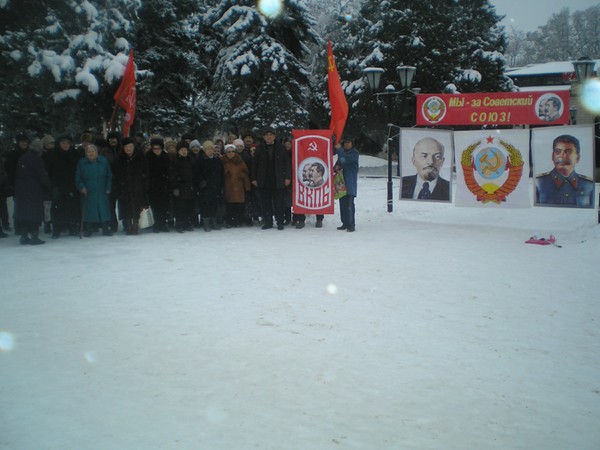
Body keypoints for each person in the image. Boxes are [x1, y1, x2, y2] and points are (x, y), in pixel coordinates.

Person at [535, 134, 594, 207]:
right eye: (558, 151)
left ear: (578, 157)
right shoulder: (538, 183)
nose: (562, 156)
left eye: (568, 151)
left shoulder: (588, 185)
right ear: (552, 156)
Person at [251, 127, 291, 230]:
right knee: (265, 203)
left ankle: (280, 222)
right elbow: (254, 164)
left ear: (274, 136)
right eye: (267, 135)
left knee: (279, 203)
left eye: (271, 135)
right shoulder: (259, 148)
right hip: (264, 180)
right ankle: (268, 222)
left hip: (278, 179)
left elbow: (287, 163)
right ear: (264, 137)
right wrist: (254, 178)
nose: (269, 137)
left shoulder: (281, 147)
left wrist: (287, 177)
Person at [14, 139, 52, 245]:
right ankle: (35, 237)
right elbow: (42, 175)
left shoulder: (23, 157)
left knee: (24, 214)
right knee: (35, 214)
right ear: (39, 149)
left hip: (21, 190)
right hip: (34, 190)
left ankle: (24, 237)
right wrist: (49, 186)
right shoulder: (37, 159)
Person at [45, 135, 81, 238]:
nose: (65, 145)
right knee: (57, 208)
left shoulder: (74, 154)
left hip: (72, 186)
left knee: (72, 207)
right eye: (63, 143)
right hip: (57, 186)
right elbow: (48, 171)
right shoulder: (52, 155)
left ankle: (72, 227)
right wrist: (52, 186)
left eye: (67, 143)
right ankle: (57, 229)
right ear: (59, 144)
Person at [112, 137, 150, 235]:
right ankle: (128, 226)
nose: (128, 149)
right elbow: (115, 174)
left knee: (137, 206)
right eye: (126, 147)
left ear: (134, 147)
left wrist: (144, 184)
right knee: (126, 208)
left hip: (137, 187)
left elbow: (145, 172)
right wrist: (117, 187)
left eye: (130, 146)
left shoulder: (140, 157)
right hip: (123, 187)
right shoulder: (118, 158)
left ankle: (135, 225)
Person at [75, 144, 113, 237]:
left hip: (101, 189)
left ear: (97, 152)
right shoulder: (82, 163)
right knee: (88, 210)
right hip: (88, 190)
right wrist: (82, 187)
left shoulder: (103, 161)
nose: (91, 153)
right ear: (86, 153)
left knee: (103, 209)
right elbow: (78, 177)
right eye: (89, 152)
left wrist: (108, 187)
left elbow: (109, 175)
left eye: (93, 151)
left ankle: (105, 228)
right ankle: (88, 229)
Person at [401, 137, 450, 201]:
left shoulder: (449, 189)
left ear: (442, 161)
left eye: (437, 156)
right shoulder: (402, 184)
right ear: (413, 160)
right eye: (424, 156)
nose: (431, 162)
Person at [195, 140, 224, 231]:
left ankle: (213, 222)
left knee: (214, 204)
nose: (210, 150)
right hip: (205, 187)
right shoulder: (200, 160)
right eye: (208, 149)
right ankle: (206, 223)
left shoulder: (217, 160)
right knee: (205, 205)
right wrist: (201, 183)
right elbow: (196, 173)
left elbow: (221, 173)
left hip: (215, 186)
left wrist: (221, 184)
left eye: (211, 148)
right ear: (204, 150)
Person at [146, 137, 171, 232]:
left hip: (164, 184)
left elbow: (170, 170)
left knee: (164, 205)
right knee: (154, 206)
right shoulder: (148, 157)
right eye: (154, 148)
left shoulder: (166, 156)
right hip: (153, 185)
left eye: (159, 148)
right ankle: (156, 223)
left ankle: (163, 223)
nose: (156, 150)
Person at [222, 143, 251, 227]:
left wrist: (244, 177)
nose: (231, 153)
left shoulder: (240, 161)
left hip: (239, 185)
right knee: (229, 204)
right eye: (228, 151)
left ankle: (238, 220)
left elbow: (246, 172)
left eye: (232, 151)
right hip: (228, 185)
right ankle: (229, 221)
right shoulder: (222, 161)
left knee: (239, 204)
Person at [170, 141, 196, 232]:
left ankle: (187, 223)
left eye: (185, 150)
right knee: (180, 207)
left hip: (190, 186)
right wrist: (175, 187)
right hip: (180, 187)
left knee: (189, 206)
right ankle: (179, 224)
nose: (184, 152)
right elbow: (172, 175)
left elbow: (194, 173)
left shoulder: (190, 160)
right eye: (182, 150)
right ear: (178, 151)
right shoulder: (175, 161)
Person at [336, 136, 359, 232]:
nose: (346, 144)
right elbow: (338, 164)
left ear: (352, 144)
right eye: (345, 143)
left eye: (348, 143)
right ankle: (345, 223)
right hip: (341, 184)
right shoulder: (342, 153)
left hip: (350, 184)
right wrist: (335, 168)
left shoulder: (354, 153)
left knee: (349, 205)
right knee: (342, 205)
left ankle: (351, 224)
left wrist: (339, 150)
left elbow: (344, 160)